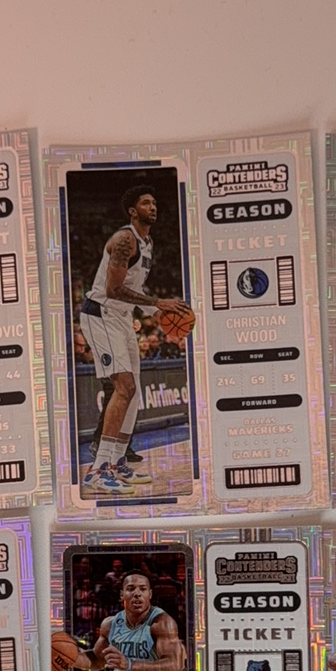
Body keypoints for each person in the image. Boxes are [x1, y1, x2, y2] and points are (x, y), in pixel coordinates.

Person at [77, 185, 193, 495]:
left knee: (134, 393)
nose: (152, 207)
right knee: (124, 387)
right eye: (145, 203)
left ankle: (116, 464)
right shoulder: (124, 239)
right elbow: (113, 289)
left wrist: (156, 312)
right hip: (101, 314)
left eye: (154, 202)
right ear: (132, 211)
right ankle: (98, 471)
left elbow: (134, 288)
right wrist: (159, 302)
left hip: (122, 317)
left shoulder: (147, 243)